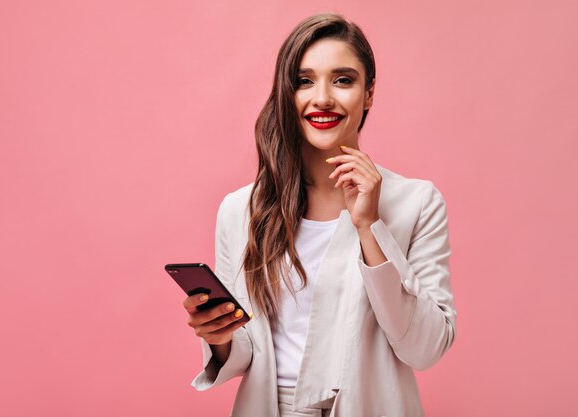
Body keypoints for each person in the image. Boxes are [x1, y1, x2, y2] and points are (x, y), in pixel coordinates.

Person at [182, 13, 457, 417]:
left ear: (369, 93)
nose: (323, 98)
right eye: (304, 80)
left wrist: (369, 226)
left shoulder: (417, 203)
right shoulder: (241, 209)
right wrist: (219, 336)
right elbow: (247, 353)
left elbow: (425, 348)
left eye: (343, 79)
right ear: (285, 93)